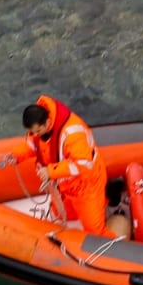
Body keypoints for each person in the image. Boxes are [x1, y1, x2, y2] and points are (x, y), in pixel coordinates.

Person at [16, 95, 114, 238]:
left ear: (47, 122)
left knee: (95, 232)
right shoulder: (40, 130)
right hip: (65, 187)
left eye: (37, 131)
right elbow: (32, 145)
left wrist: (50, 172)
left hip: (85, 186)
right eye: (33, 132)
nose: (35, 135)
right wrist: (15, 155)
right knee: (60, 215)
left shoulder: (73, 134)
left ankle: (119, 249)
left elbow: (83, 165)